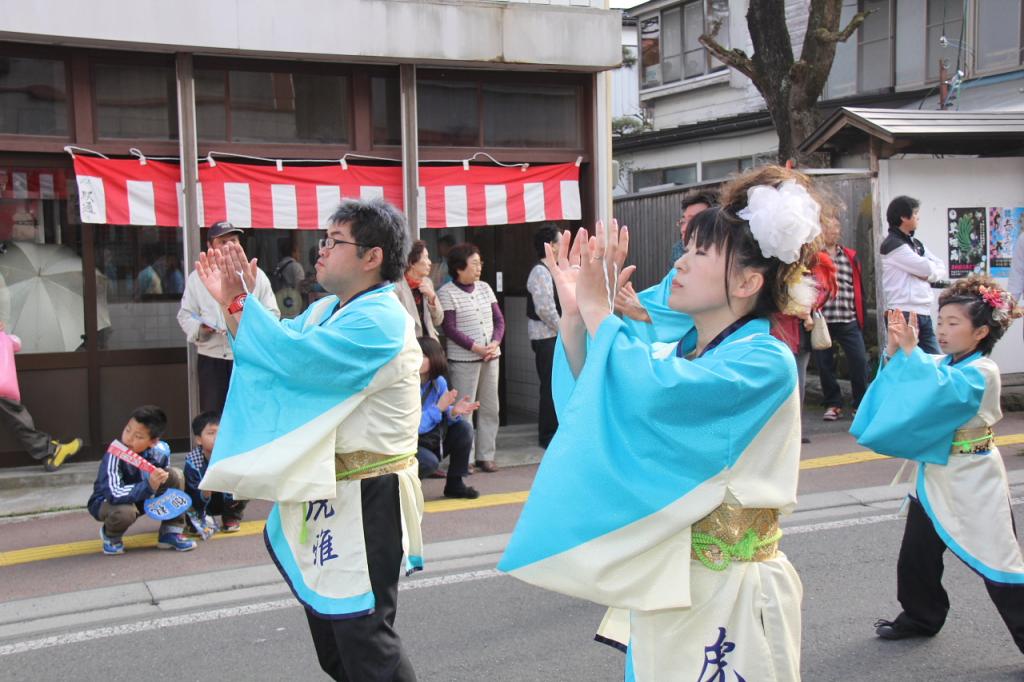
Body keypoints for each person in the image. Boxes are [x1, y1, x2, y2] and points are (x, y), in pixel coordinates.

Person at [500, 166, 825, 681]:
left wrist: (600, 311)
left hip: (730, 589)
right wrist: (578, 317)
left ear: (748, 281)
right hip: (672, 580)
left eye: (701, 253)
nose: (680, 263)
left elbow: (653, 392)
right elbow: (603, 398)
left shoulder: (765, 361)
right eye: (686, 249)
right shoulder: (685, 353)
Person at [196, 198, 422, 682]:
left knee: (365, 638)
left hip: (369, 493)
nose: (321, 249)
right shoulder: (325, 309)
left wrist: (239, 303)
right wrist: (233, 304)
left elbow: (293, 362)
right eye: (324, 238)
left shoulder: (381, 318)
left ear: (372, 256)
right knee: (335, 646)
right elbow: (274, 351)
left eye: (334, 241)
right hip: (327, 491)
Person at [851, 276, 1024, 653]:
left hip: (974, 477)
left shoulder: (983, 371)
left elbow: (942, 392)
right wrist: (896, 353)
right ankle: (921, 616)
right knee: (917, 555)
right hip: (936, 473)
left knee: (999, 560)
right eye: (940, 321)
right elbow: (920, 378)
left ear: (981, 332)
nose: (942, 330)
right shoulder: (943, 363)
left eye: (953, 323)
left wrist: (911, 355)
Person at [176, 221, 280, 414]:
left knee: (248, 411)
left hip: (247, 356)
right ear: (210, 246)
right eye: (223, 242)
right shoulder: (197, 278)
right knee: (213, 414)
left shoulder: (256, 275)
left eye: (233, 241)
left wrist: (249, 324)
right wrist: (201, 329)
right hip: (211, 356)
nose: (229, 246)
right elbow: (185, 315)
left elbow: (272, 314)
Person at [87, 405, 196, 555]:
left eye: (138, 436)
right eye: (127, 430)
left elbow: (166, 483)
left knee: (175, 475)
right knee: (125, 512)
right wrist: (149, 486)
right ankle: (111, 536)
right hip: (107, 502)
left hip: (142, 495)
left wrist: (158, 481)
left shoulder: (160, 451)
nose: (129, 438)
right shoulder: (114, 454)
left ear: (153, 441)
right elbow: (113, 493)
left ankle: (170, 532)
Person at [437, 243, 505, 473]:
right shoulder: (446, 292)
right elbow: (449, 328)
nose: (479, 268)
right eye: (474, 263)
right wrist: (475, 348)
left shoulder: (485, 288)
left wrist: (495, 342)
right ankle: (465, 458)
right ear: (459, 267)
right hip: (464, 360)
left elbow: (499, 320)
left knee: (490, 407)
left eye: (480, 263)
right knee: (465, 410)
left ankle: (486, 455)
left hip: (491, 357)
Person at [0, 309, 81, 471]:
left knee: (19, 421)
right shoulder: (7, 339)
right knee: (19, 420)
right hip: (6, 387)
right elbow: (17, 343)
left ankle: (51, 449)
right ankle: (51, 449)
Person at [814, 210, 870, 421]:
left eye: (836, 227)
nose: (833, 231)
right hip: (823, 319)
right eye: (828, 227)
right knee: (824, 365)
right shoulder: (813, 257)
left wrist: (861, 313)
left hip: (848, 317)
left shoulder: (849, 256)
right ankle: (833, 403)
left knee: (859, 361)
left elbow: (858, 287)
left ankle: (860, 404)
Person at [416, 336, 479, 499]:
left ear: (434, 358)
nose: (416, 359)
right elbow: (412, 427)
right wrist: (439, 408)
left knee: (463, 428)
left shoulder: (439, 382)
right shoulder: (405, 384)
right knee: (429, 462)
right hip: (410, 443)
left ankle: (455, 484)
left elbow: (442, 414)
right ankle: (403, 492)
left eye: (423, 355)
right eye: (414, 354)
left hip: (430, 439)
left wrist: (453, 412)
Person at [881, 196, 946, 353]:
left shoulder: (916, 244)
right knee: (905, 361)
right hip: (903, 312)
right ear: (904, 217)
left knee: (933, 360)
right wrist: (927, 273)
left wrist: (928, 275)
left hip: (923, 312)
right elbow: (927, 268)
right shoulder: (893, 244)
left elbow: (940, 266)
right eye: (915, 213)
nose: (918, 217)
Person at [525, 224, 561, 448]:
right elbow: (545, 309)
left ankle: (556, 431)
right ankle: (547, 435)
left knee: (557, 383)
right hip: (546, 336)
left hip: (555, 335)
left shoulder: (554, 269)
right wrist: (565, 329)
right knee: (549, 384)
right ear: (552, 246)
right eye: (560, 241)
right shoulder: (540, 271)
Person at [183, 411, 246, 534]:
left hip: (226, 500)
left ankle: (231, 516)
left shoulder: (232, 456)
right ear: (199, 439)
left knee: (245, 478)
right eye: (211, 433)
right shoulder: (193, 462)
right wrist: (205, 493)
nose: (217, 437)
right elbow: (191, 494)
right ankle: (196, 520)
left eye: (221, 433)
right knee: (188, 495)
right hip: (202, 503)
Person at [395, 240, 443, 340]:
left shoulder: (427, 282)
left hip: (429, 343)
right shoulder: (396, 287)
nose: (430, 262)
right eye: (425, 257)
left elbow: (438, 320)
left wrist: (432, 297)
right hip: (409, 343)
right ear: (412, 262)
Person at [669, 189, 717, 264]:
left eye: (694, 221)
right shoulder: (678, 250)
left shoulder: (729, 256)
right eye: (683, 221)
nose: (683, 229)